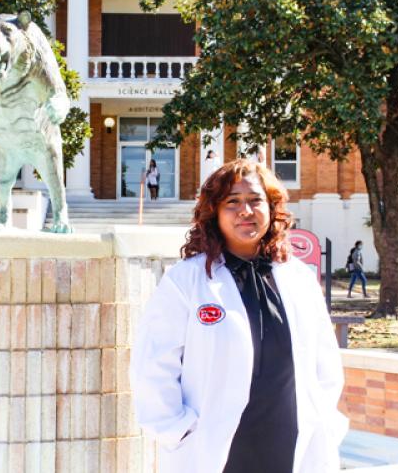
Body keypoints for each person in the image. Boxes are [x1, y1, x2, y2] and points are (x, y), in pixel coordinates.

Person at [130, 159, 348, 473]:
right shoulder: (186, 280)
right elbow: (153, 365)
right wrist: (178, 429)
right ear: (214, 213)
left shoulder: (297, 277)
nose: (245, 211)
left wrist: (325, 419)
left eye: (255, 200)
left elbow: (325, 363)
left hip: (289, 439)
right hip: (216, 446)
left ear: (272, 208)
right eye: (232, 202)